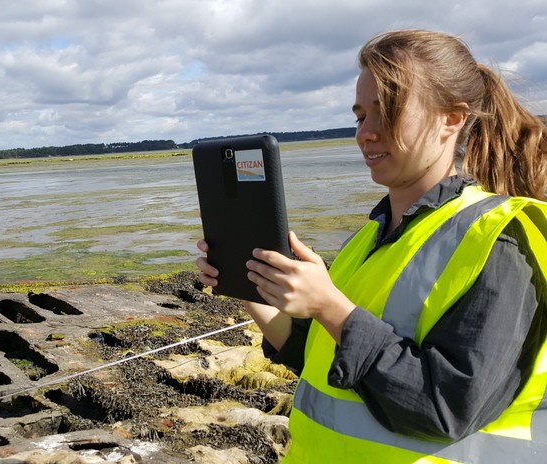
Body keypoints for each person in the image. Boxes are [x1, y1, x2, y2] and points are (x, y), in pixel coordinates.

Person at [196, 29, 547, 463]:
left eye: (389, 112)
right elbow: (320, 359)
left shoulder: (498, 240)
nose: (367, 133)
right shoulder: (368, 238)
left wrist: (329, 307)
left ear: (452, 119)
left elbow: (445, 409)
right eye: (360, 116)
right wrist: (250, 286)